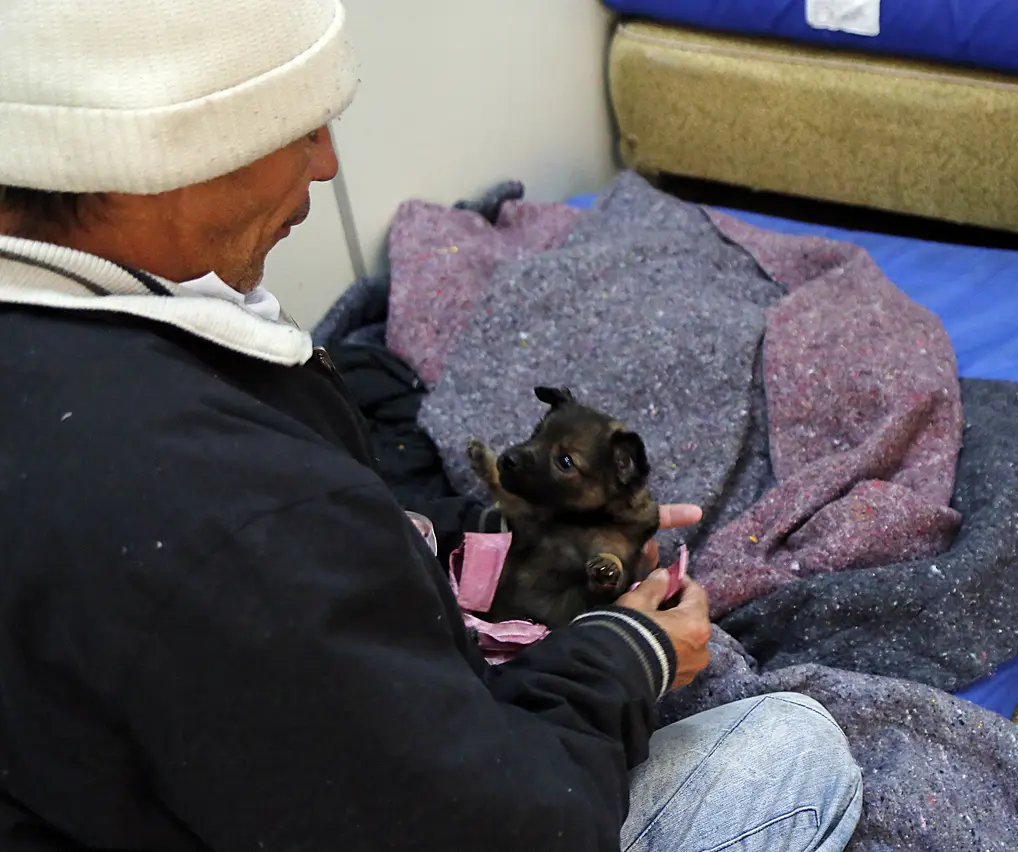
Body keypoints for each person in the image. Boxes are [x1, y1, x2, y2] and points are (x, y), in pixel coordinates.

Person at [0, 1, 863, 850]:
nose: (329, 163)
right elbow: (515, 820)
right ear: (162, 152)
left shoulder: (92, 358)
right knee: (795, 750)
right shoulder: (233, 521)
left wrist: (505, 537)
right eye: (301, 130)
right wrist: (629, 651)